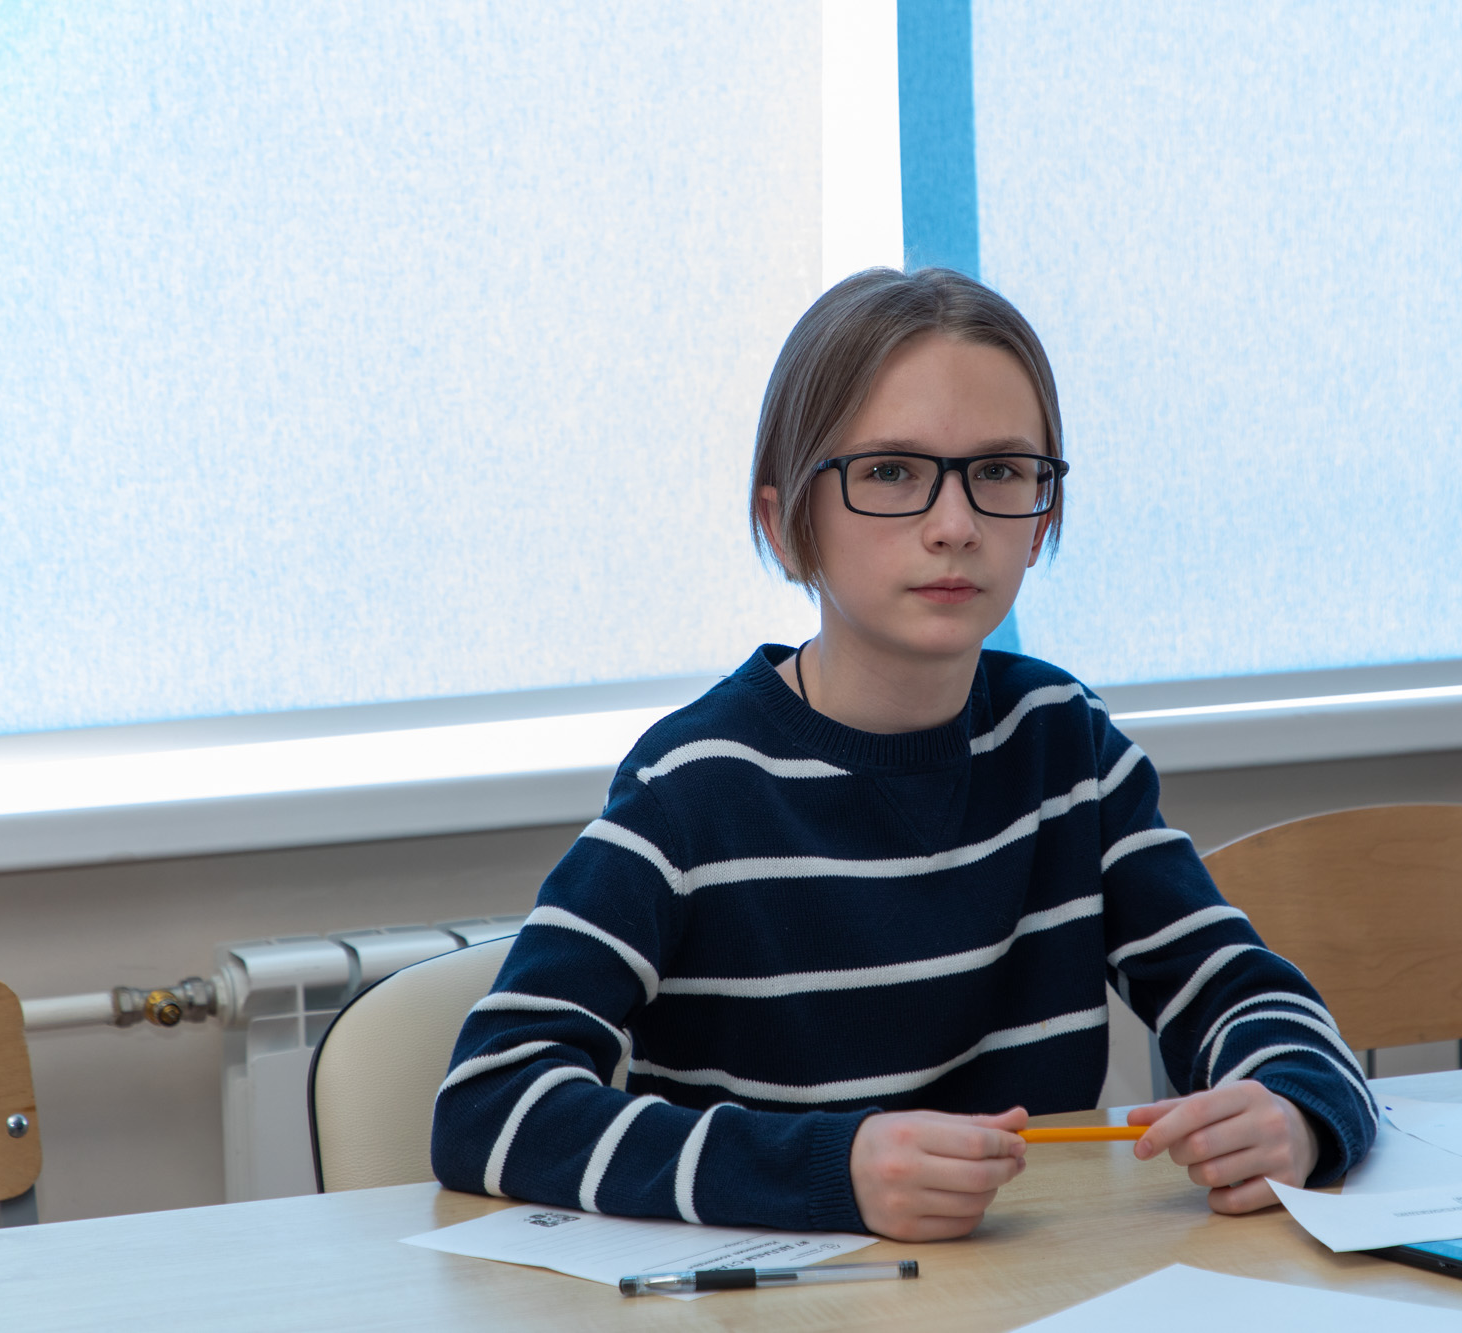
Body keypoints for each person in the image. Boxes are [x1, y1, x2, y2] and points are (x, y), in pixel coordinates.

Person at [431, 268, 1377, 1241]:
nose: (955, 525)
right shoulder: (690, 788)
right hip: (786, 1299)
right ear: (783, 524)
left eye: (1000, 472)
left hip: (1039, 1284)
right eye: (889, 472)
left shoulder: (1065, 743)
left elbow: (1243, 993)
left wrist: (1295, 1113)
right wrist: (826, 1170)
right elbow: (489, 1103)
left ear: (1043, 516)